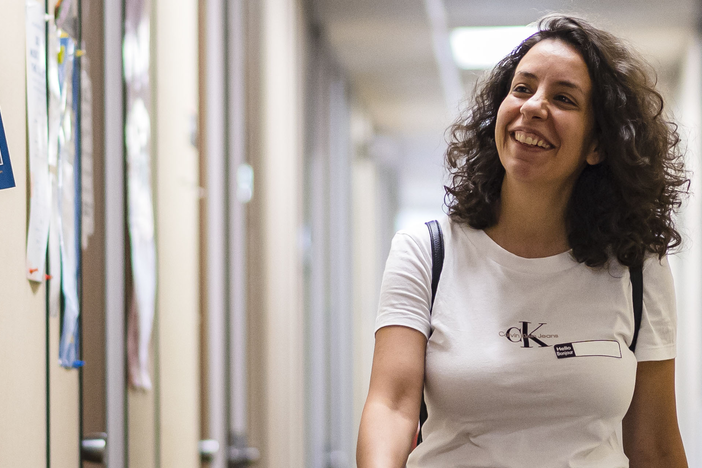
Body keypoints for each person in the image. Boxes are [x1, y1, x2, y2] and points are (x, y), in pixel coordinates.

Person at [357, 14, 689, 468]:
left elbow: (655, 443)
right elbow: (391, 409)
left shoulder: (636, 267)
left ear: (597, 145)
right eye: (522, 88)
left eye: (564, 98)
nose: (533, 106)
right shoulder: (427, 253)